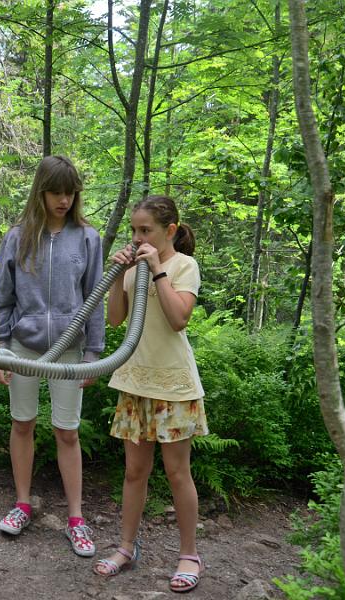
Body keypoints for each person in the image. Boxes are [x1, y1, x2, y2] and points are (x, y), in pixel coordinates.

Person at [0, 154, 105, 558]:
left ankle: (76, 518)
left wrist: (94, 351)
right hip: (23, 347)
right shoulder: (18, 237)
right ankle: (22, 504)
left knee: (67, 432)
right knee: (22, 424)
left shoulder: (88, 238)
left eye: (71, 192)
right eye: (56, 192)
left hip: (70, 351)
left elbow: (95, 299)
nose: (64, 200)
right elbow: (0, 298)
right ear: (41, 192)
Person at [93, 195, 209, 593]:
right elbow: (115, 319)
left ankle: (189, 555)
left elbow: (178, 320)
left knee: (178, 473)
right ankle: (126, 547)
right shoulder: (133, 269)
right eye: (135, 231)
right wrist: (116, 275)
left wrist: (157, 268)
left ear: (169, 231)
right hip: (133, 382)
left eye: (147, 231)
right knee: (133, 472)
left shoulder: (182, 265)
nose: (139, 237)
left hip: (173, 386)